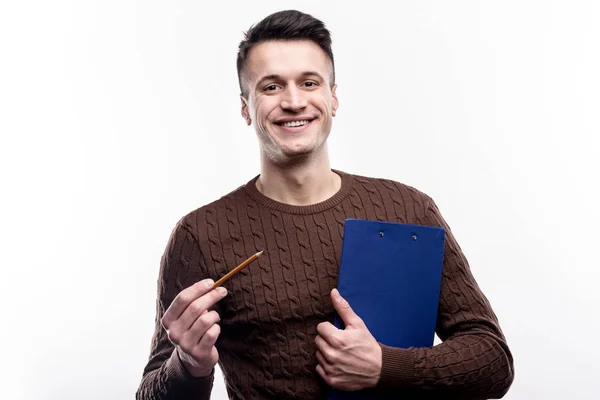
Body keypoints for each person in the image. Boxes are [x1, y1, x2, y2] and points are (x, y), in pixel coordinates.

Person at [135, 9, 514, 400]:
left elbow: (493, 361)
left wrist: (386, 366)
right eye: (271, 87)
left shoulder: (408, 208)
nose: (294, 101)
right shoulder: (201, 234)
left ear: (333, 98)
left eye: (309, 82)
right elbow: (150, 393)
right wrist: (189, 364)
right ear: (246, 107)